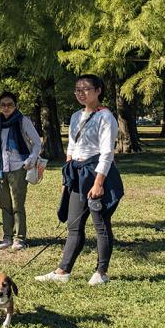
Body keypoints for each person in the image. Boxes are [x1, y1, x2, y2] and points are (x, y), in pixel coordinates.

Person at [36, 74, 124, 286]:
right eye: (77, 90)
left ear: (98, 90)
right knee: (74, 224)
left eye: (86, 89)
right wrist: (68, 176)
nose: (81, 93)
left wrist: (98, 183)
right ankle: (63, 271)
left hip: (97, 173)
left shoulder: (106, 117)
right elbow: (72, 148)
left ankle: (101, 272)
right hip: (78, 173)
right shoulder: (76, 116)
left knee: (100, 224)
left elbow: (106, 153)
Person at [0, 91, 42, 250]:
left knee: (18, 204)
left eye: (9, 104)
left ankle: (19, 238)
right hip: (0, 168)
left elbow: (37, 143)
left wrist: (30, 160)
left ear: (15, 105)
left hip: (19, 167)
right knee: (4, 204)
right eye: (3, 105)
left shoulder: (23, 121)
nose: (6, 107)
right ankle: (7, 237)